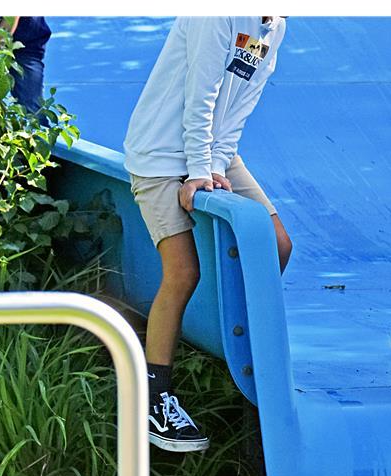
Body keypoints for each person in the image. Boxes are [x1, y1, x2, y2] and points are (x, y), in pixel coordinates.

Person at [123, 17, 292, 453]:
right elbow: (201, 92)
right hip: (162, 151)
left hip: (214, 149)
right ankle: (154, 398)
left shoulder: (274, 27)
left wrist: (215, 165)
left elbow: (241, 103)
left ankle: (238, 358)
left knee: (277, 244)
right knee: (182, 272)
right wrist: (199, 170)